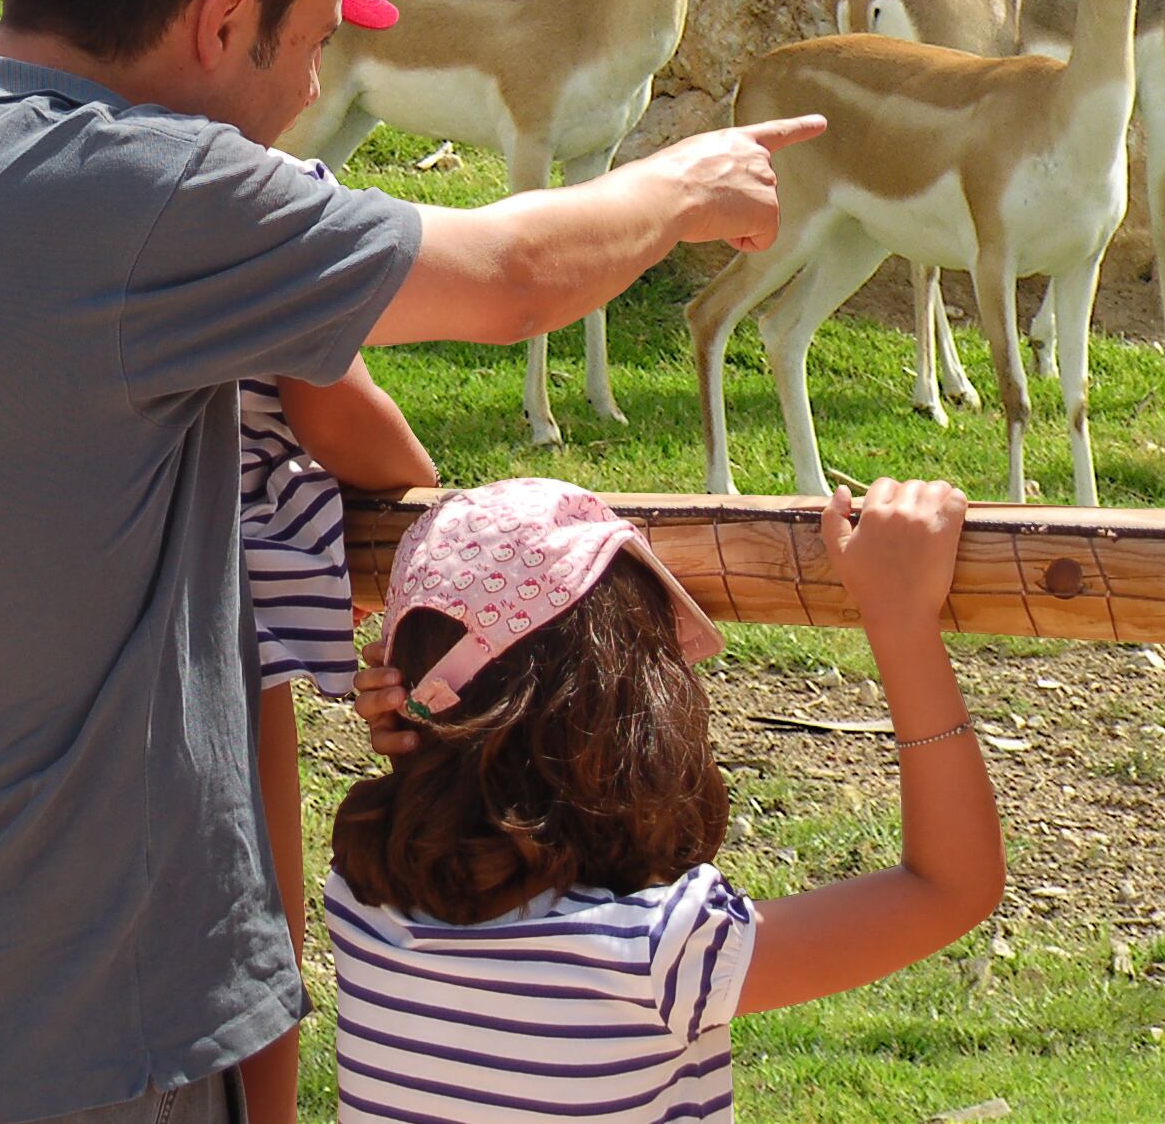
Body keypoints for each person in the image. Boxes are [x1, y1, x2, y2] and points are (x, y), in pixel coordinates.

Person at [0, 0, 822, 1124]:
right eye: (313, 41)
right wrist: (693, 181)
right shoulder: (146, 188)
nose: (319, 86)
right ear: (222, 19)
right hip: (75, 1025)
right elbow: (509, 276)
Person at [328, 475, 1005, 1123]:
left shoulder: (362, 903)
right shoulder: (661, 953)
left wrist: (426, 737)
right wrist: (901, 619)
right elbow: (950, 885)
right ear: (633, 708)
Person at [238, 337, 440, 1124]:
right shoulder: (199, 211)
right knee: (246, 957)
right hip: (195, 630)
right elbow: (335, 405)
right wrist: (417, 513)